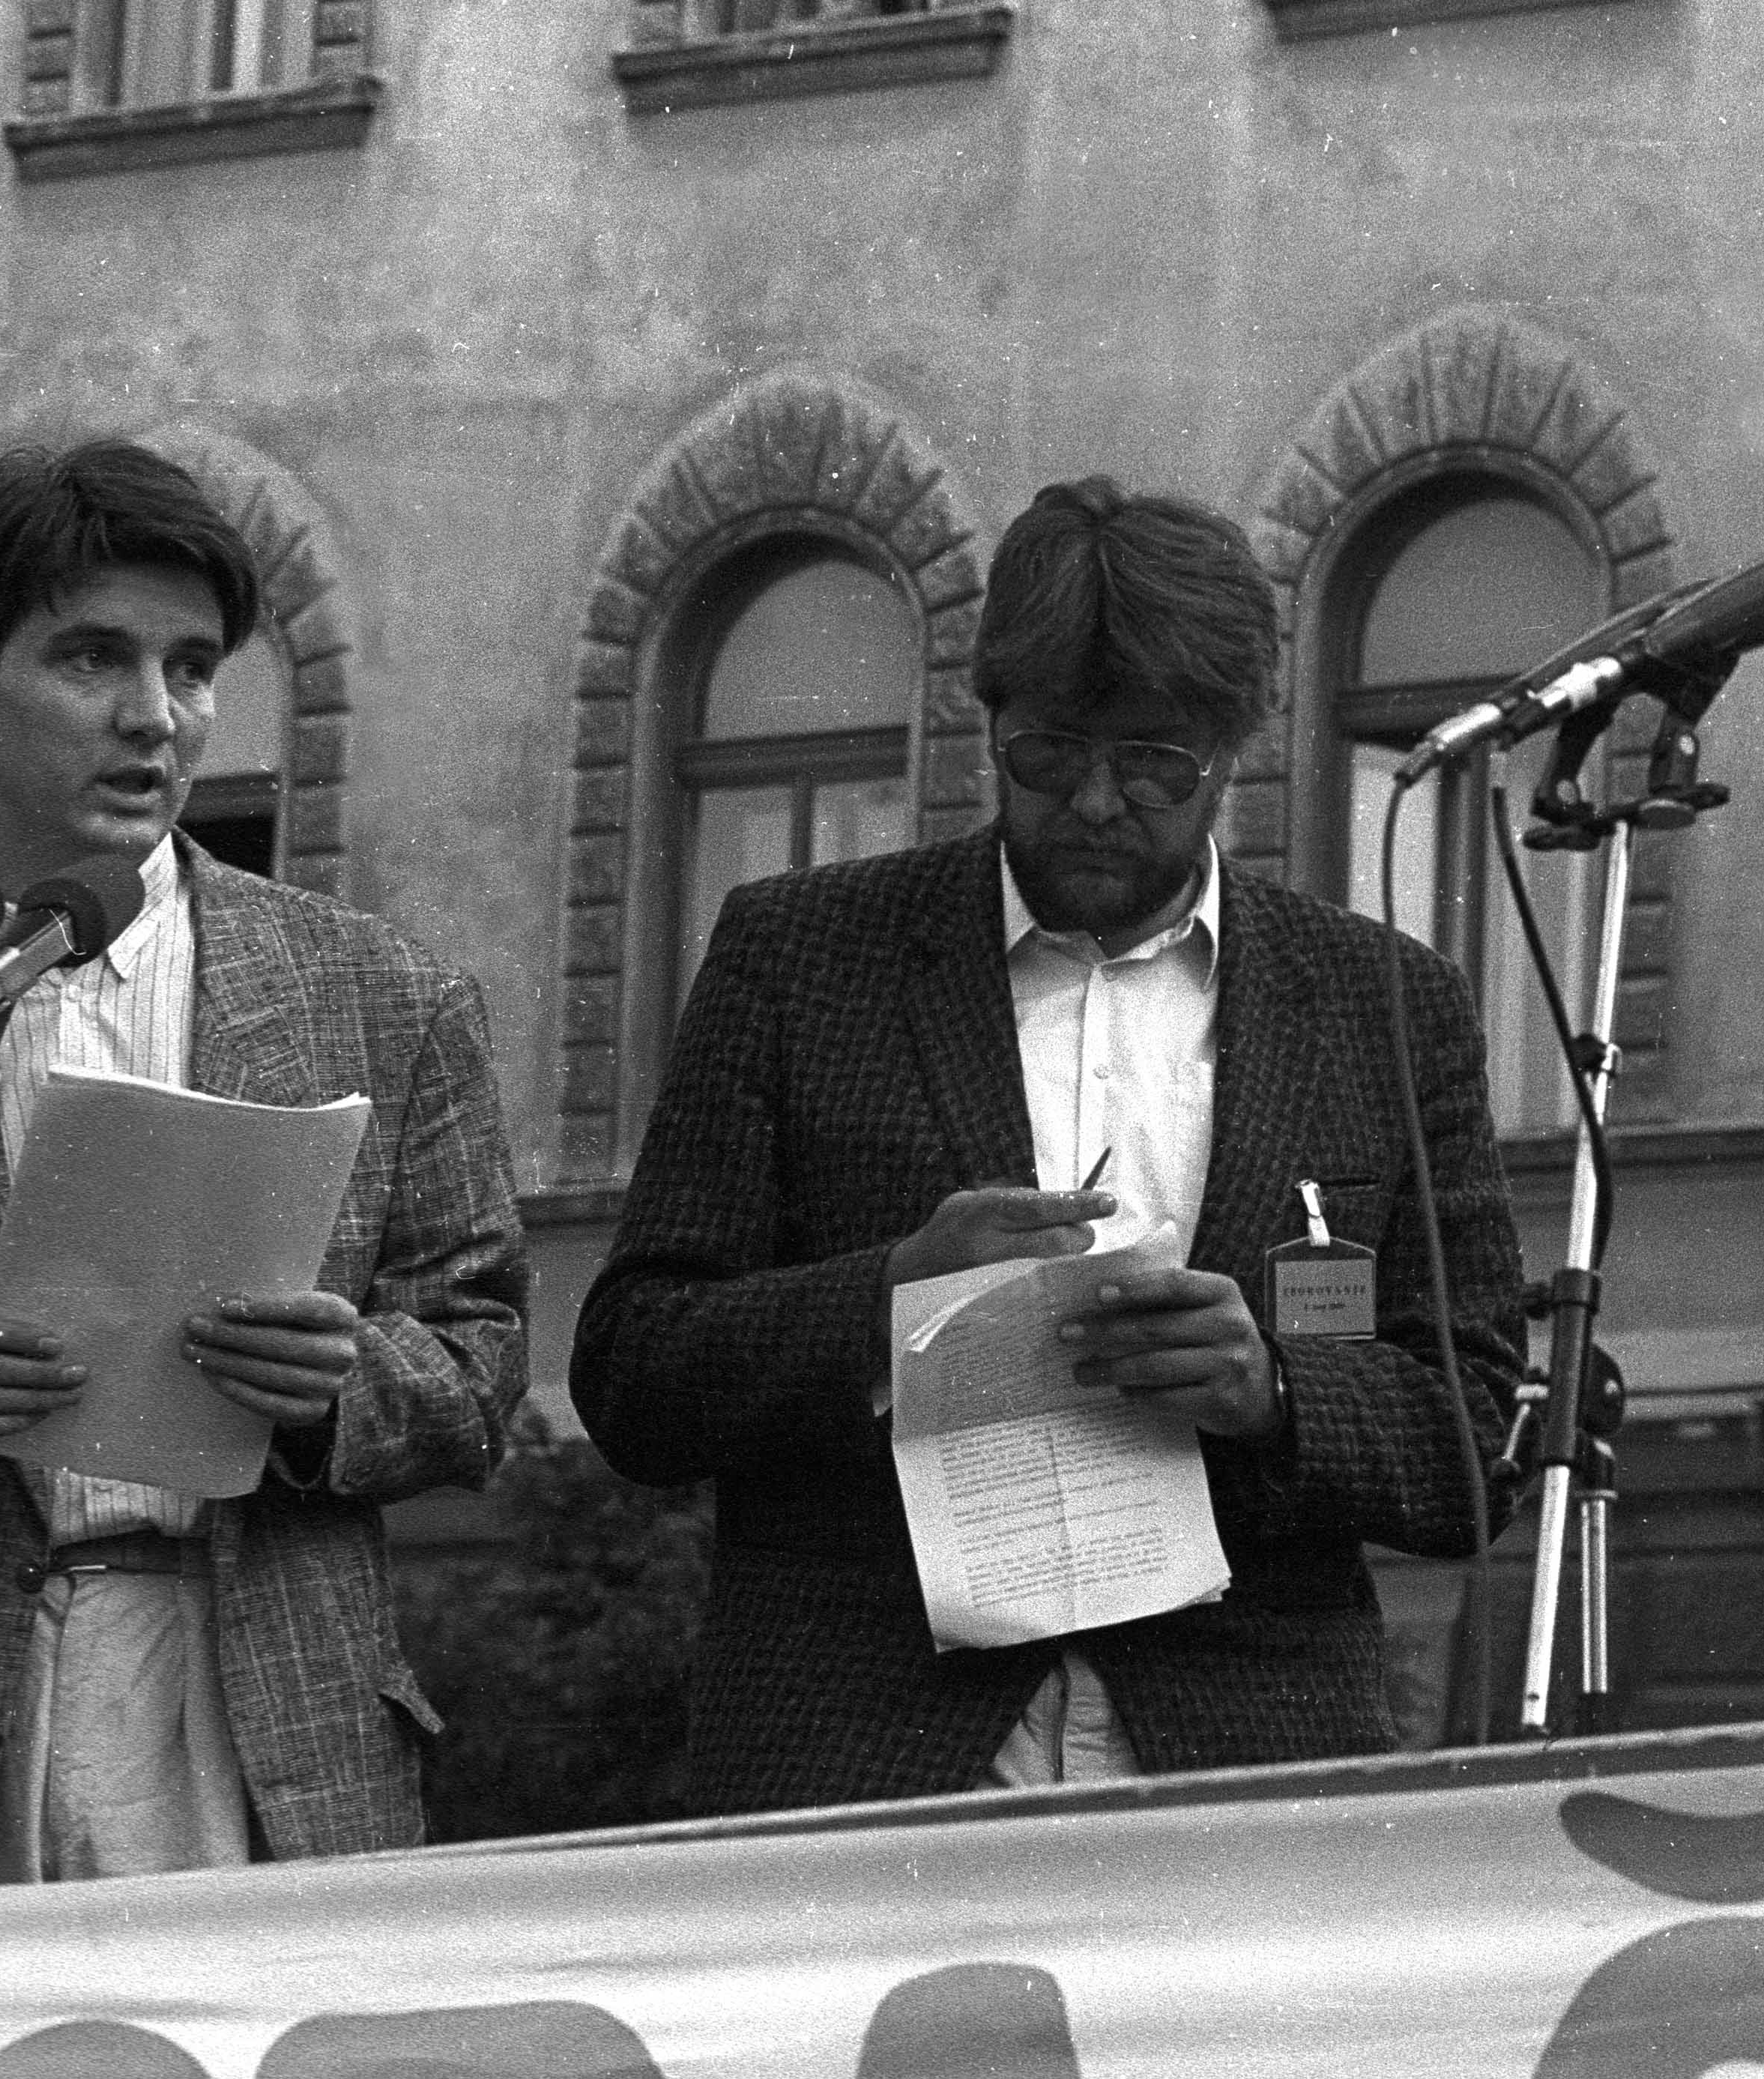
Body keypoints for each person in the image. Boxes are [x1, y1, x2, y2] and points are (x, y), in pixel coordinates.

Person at [0, 441, 530, 1892]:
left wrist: (337, 1386)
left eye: (191, 668)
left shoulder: (379, 995)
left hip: (257, 1711)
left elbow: (484, 1359)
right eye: (93, 658)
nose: (155, 716)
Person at [573, 477, 1526, 1811]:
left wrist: (1274, 1390)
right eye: (1046, 754)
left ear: (1235, 748)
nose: (1094, 799)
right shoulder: (800, 958)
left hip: (1247, 1774)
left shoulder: (1384, 1005)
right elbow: (632, 1370)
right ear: (989, 723)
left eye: (1155, 764)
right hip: (865, 1768)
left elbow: (1480, 1440)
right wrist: (893, 1297)